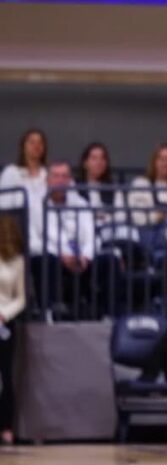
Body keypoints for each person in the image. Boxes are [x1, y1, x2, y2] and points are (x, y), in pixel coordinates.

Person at [31, 162, 95, 313]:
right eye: (56, 176)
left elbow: (90, 236)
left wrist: (85, 256)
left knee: (109, 260)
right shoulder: (35, 204)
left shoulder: (81, 203)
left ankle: (106, 315)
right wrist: (62, 255)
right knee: (44, 260)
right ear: (47, 180)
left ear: (70, 180)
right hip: (52, 256)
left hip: (79, 258)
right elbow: (32, 242)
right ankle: (50, 312)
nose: (60, 180)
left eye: (65, 176)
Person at [0, 216, 25, 445]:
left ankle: (6, 426)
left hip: (4, 323)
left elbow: (21, 299)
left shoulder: (17, 261)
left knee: (5, 376)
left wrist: (4, 315)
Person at [0, 129, 48, 229]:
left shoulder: (50, 174)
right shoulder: (11, 172)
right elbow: (4, 206)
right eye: (32, 142)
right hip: (19, 229)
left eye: (40, 142)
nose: (36, 146)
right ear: (23, 146)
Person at [76, 142, 121, 226]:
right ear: (85, 163)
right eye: (94, 158)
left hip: (109, 229)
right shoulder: (74, 186)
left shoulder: (113, 187)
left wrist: (104, 218)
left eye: (102, 158)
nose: (99, 162)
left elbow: (121, 215)